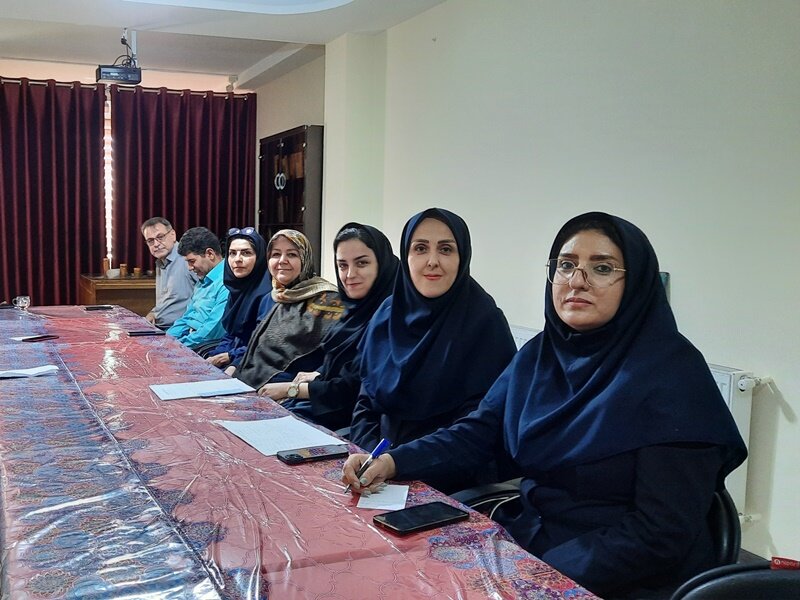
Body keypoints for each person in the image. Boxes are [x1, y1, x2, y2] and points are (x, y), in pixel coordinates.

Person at [343, 211, 747, 599]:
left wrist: (537, 575)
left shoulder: (672, 375)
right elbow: (476, 433)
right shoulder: (540, 356)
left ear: (637, 282)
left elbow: (661, 532)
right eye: (566, 265)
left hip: (617, 572)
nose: (577, 281)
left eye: (602, 268)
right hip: (529, 539)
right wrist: (393, 461)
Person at [348, 208, 516, 492]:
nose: (432, 261)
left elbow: (477, 434)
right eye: (420, 248)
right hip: (378, 470)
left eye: (446, 249)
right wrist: (368, 455)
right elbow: (366, 402)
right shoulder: (388, 314)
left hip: (449, 479)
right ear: (406, 256)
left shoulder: (484, 323)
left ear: (463, 257)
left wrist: (395, 462)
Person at [260, 223, 400, 431]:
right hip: (322, 403)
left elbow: (352, 389)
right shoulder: (352, 310)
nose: (350, 274)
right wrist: (317, 375)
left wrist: (292, 389)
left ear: (382, 264)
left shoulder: (391, 316)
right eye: (342, 265)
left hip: (353, 422)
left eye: (361, 263)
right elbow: (337, 366)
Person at [232, 229, 344, 390]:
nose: (282, 261)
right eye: (276, 254)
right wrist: (234, 367)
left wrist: (301, 384)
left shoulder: (330, 300)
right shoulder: (272, 297)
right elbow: (256, 348)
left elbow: (338, 356)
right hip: (250, 379)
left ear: (305, 259)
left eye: (292, 254)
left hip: (289, 388)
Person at [205, 227, 272, 369]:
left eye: (246, 253)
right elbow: (231, 334)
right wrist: (215, 355)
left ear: (260, 257)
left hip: (255, 362)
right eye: (232, 253)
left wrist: (231, 357)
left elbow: (264, 344)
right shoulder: (236, 290)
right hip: (234, 355)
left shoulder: (268, 294)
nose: (237, 259)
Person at [165, 227, 229, 349]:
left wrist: (177, 346)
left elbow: (211, 331)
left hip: (206, 347)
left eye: (192, 261)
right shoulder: (203, 279)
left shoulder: (227, 282)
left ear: (210, 254)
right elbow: (187, 318)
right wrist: (165, 340)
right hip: (190, 340)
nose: (189, 268)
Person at [141, 217, 197, 329]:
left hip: (182, 330)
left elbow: (207, 299)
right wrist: (153, 313)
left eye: (160, 237)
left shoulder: (188, 258)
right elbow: (167, 301)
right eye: (150, 241)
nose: (156, 244)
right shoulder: (161, 262)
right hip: (160, 327)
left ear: (173, 235)